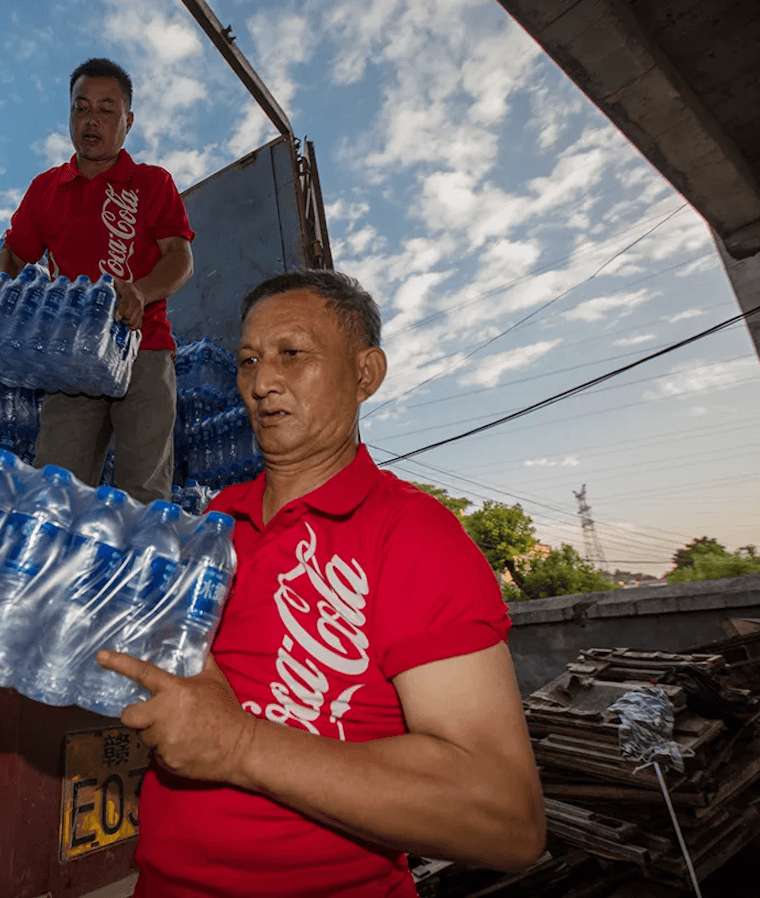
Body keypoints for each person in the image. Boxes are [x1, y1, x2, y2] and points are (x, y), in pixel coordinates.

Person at [98, 269, 545, 897]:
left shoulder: (414, 535)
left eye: (292, 354)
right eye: (248, 359)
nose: (261, 382)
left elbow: (505, 818)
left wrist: (239, 743)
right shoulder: (216, 522)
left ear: (366, 374)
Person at [0, 58, 194, 503]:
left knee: (143, 494)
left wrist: (140, 291)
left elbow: (180, 258)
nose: (91, 121)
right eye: (81, 108)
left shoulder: (153, 183)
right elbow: (13, 254)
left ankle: (137, 572)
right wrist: (2, 290)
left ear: (128, 121)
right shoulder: (46, 188)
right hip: (71, 357)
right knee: (55, 489)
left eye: (106, 110)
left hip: (145, 347)